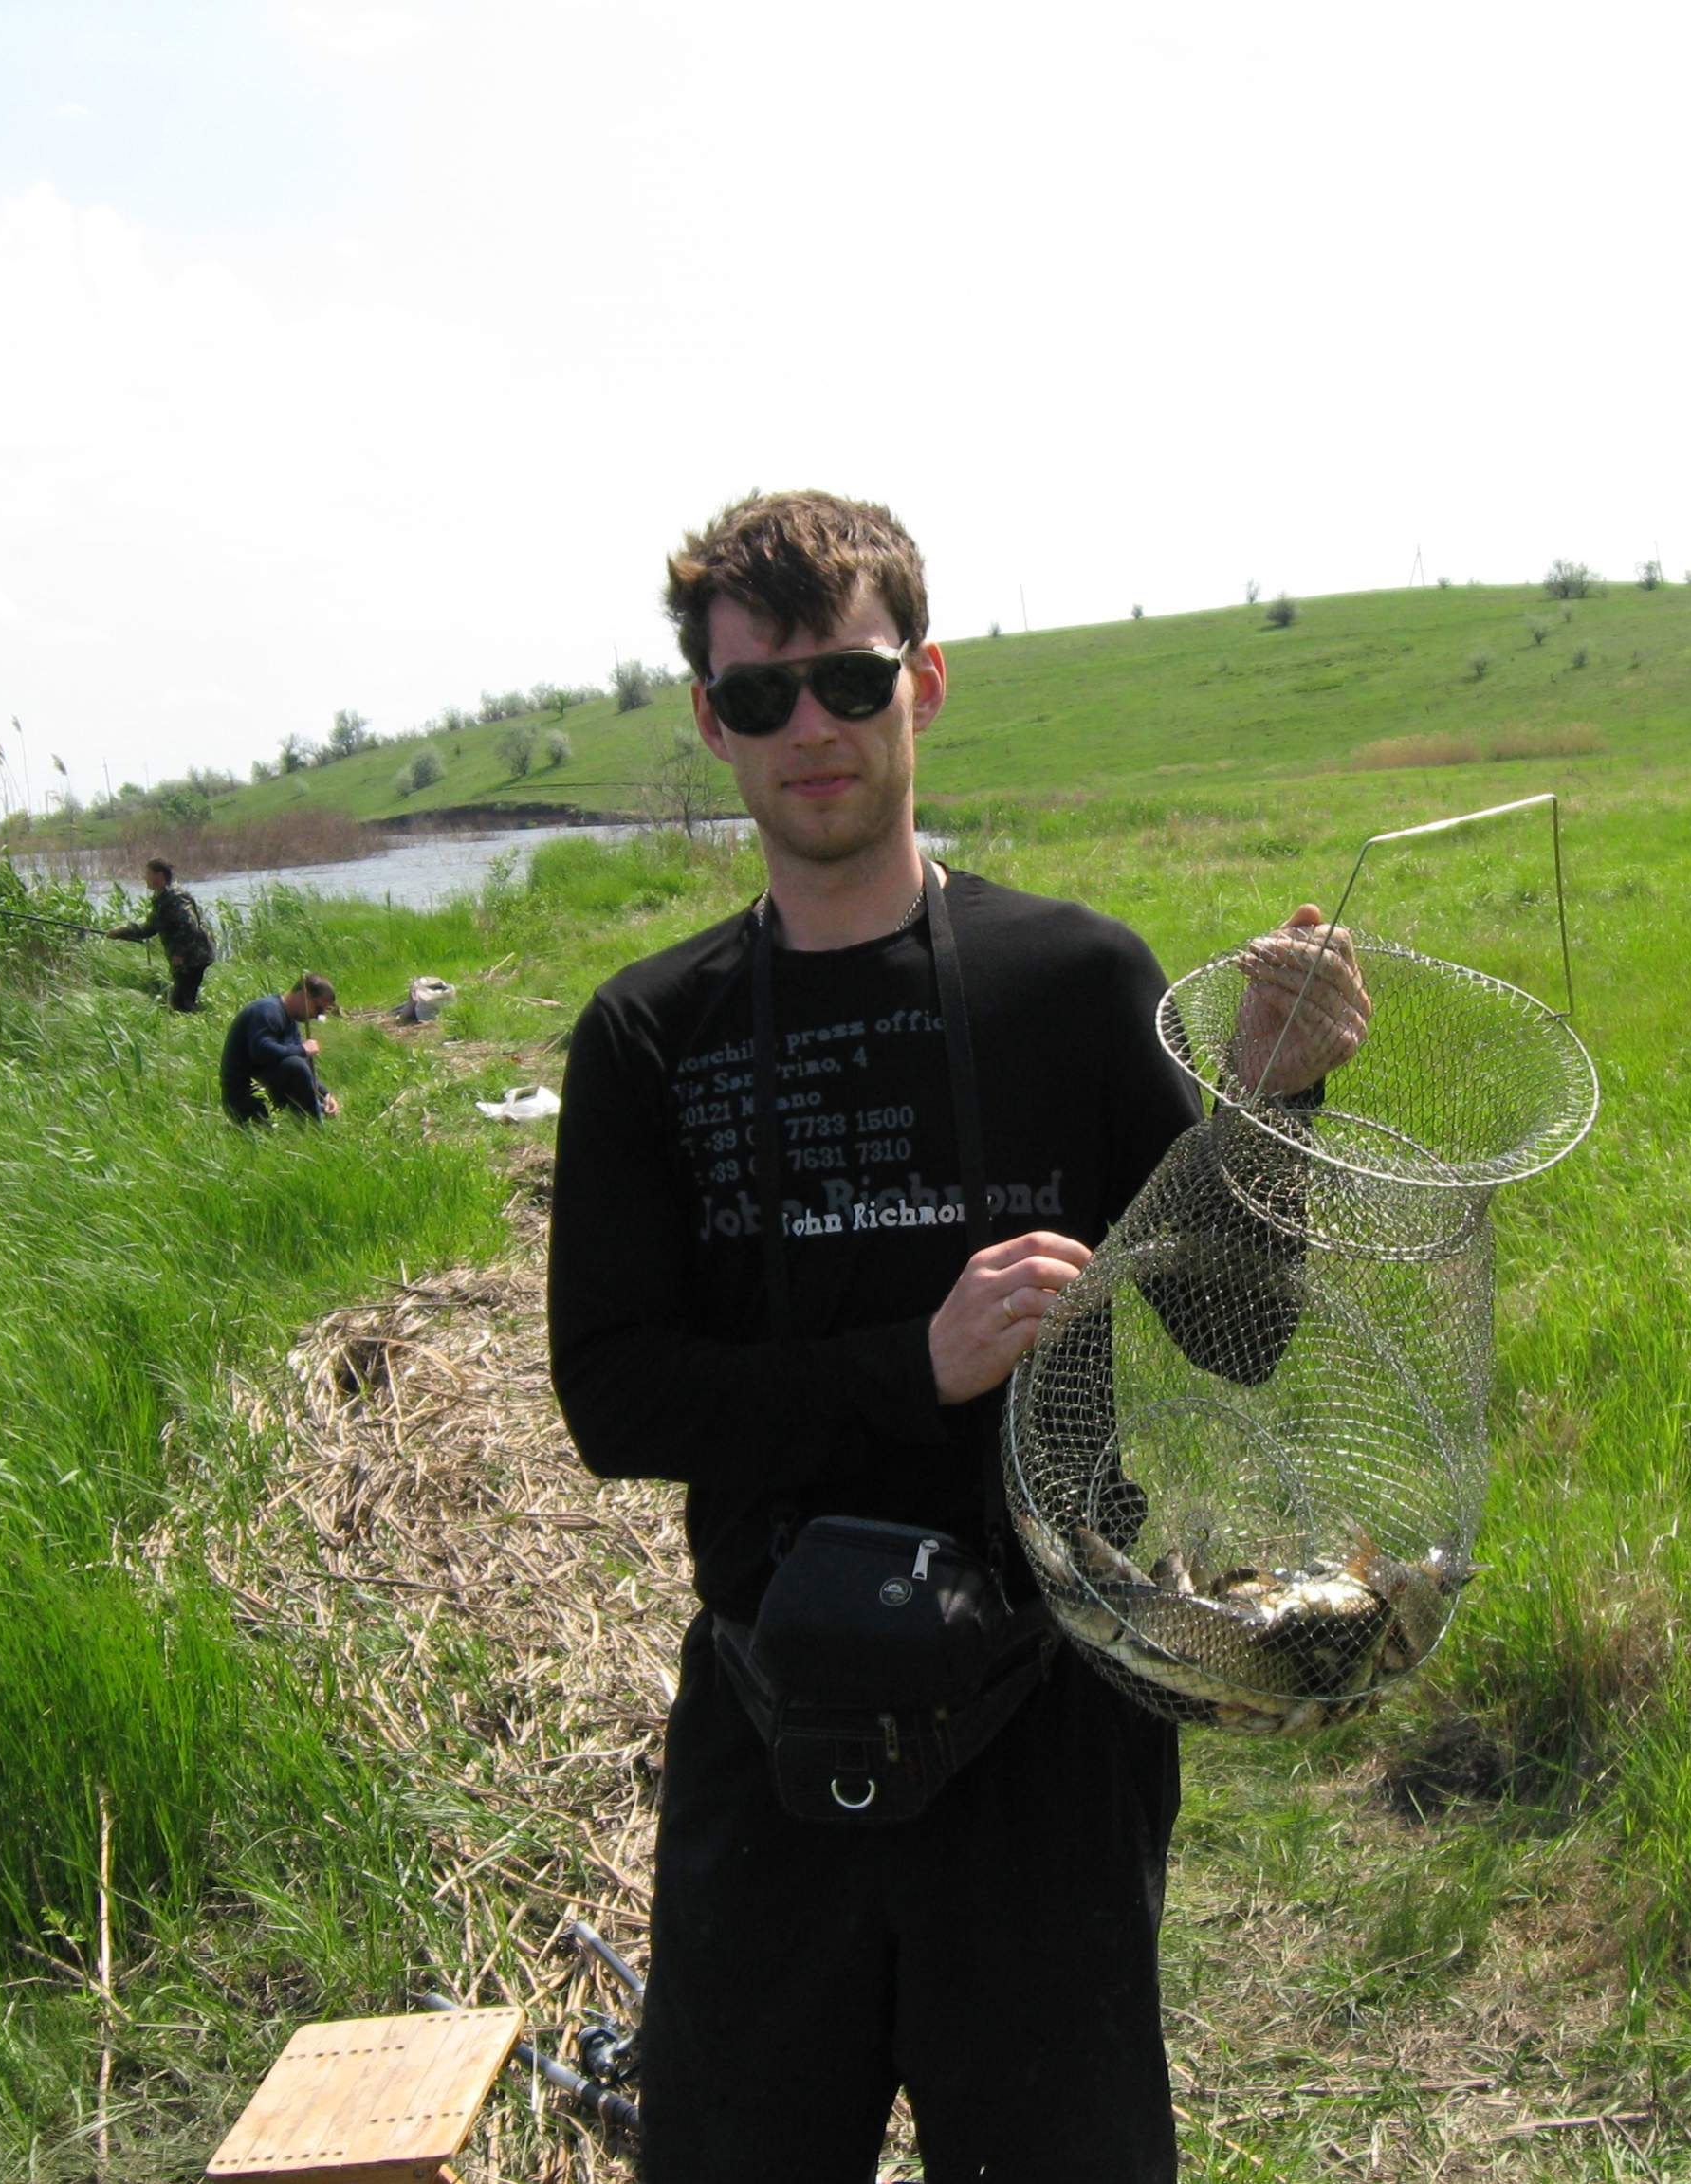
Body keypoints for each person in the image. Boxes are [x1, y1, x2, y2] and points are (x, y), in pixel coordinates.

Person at [547, 491, 1366, 2183]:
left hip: (1047, 1722)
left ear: (920, 683)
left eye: (848, 680)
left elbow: (1234, 1334)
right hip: (773, 1709)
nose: (810, 728)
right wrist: (906, 1365)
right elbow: (614, 1397)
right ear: (710, 720)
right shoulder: (647, 1035)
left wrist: (1270, 1104)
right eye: (760, 694)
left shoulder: (1072, 981)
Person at [220, 973, 340, 1124]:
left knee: (298, 1064)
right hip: (244, 1097)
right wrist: (302, 1050)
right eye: (318, 1008)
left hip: (266, 1091)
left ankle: (310, 1119)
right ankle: (313, 1126)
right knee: (295, 1066)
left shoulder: (290, 1020)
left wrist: (325, 1095)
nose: (317, 1016)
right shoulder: (267, 1011)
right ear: (303, 994)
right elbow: (260, 1051)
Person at [107, 858, 217, 1012]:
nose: (145, 878)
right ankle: (203, 1016)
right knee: (182, 1001)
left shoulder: (174, 897)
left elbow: (190, 925)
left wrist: (179, 952)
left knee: (181, 1003)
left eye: (148, 874)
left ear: (159, 876)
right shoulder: (163, 898)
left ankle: (208, 1018)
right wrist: (122, 932)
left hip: (193, 956)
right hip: (189, 957)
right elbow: (149, 929)